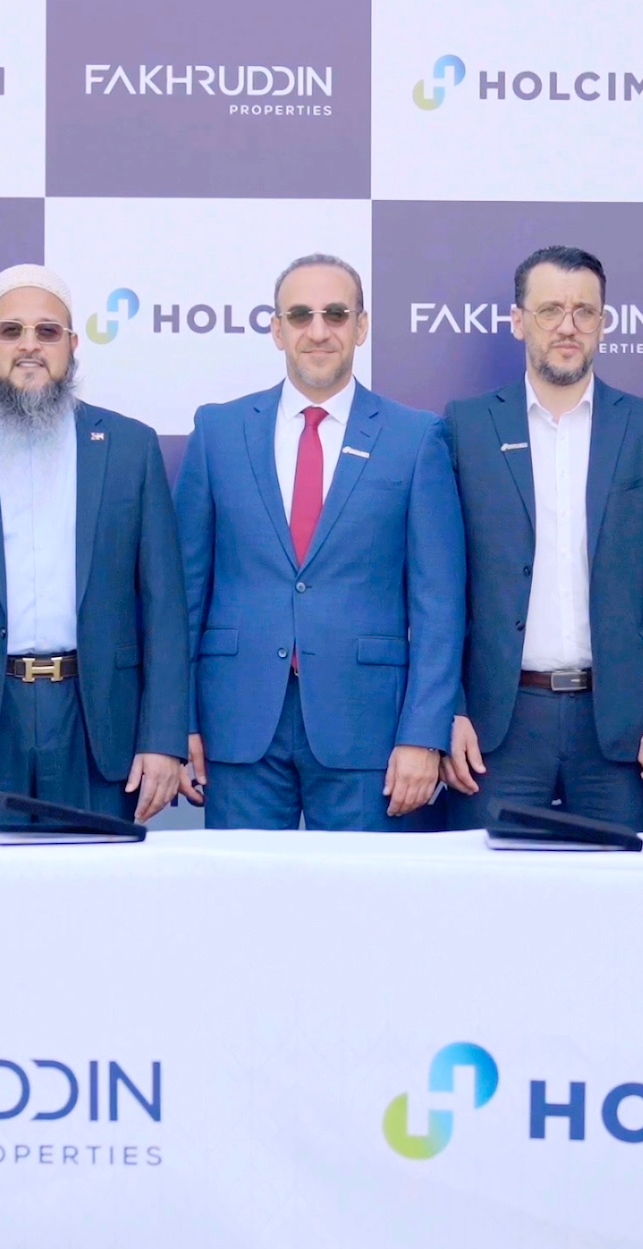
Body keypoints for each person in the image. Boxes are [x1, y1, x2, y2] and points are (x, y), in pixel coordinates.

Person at [0, 266, 187, 832]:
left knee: (93, 886)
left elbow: (165, 608)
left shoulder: (130, 447)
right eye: (11, 331)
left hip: (97, 725)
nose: (29, 346)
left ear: (72, 345)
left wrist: (164, 739)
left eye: (47, 332)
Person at [176, 253, 464, 831]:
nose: (318, 331)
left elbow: (439, 603)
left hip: (369, 730)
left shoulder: (415, 437)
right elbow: (184, 594)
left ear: (361, 326)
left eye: (335, 314)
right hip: (238, 724)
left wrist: (423, 733)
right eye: (300, 315)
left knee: (364, 891)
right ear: (276, 329)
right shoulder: (218, 431)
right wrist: (177, 723)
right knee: (245, 888)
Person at [443, 246, 643, 833]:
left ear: (603, 323)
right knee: (487, 887)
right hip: (496, 725)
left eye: (584, 311)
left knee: (622, 888)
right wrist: (448, 711)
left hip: (621, 726)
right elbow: (440, 587)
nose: (568, 326)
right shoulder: (466, 426)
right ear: (518, 321)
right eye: (550, 310)